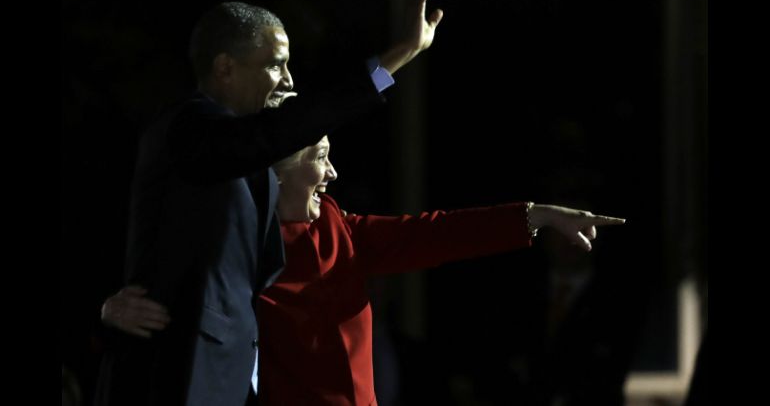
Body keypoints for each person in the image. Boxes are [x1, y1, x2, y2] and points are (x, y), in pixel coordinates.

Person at [94, 0, 444, 406]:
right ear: (225, 69)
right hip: (176, 379)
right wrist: (399, 56)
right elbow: (106, 225)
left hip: (231, 384)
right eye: (276, 65)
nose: (288, 80)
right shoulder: (187, 131)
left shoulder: (249, 161)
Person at [105, 134, 625, 405]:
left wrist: (535, 215)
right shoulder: (233, 246)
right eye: (321, 156)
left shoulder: (340, 228)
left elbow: (436, 232)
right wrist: (108, 307)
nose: (333, 172)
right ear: (276, 173)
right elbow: (173, 308)